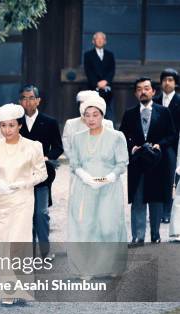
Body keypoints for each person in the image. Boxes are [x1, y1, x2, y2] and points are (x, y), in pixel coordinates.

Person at [0, 103, 47, 305]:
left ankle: (23, 290)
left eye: (11, 125)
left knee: (20, 243)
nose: (7, 130)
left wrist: (24, 183)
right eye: (3, 126)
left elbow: (42, 173)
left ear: (20, 125)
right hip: (3, 200)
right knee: (5, 245)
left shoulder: (33, 146)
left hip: (23, 199)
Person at [120, 77, 177, 246]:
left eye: (146, 88)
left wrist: (161, 144)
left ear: (153, 91)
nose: (143, 92)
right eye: (139, 89)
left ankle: (155, 233)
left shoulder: (163, 112)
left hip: (157, 160)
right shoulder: (129, 114)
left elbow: (172, 135)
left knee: (156, 198)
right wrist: (132, 147)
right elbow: (122, 136)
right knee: (138, 198)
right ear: (135, 93)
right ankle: (137, 236)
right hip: (137, 160)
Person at [67, 96, 128, 242]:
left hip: (109, 188)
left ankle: (109, 263)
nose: (91, 119)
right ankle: (89, 264)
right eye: (87, 115)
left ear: (102, 115)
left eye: (95, 115)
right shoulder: (77, 138)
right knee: (86, 227)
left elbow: (122, 163)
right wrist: (85, 177)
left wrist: (107, 178)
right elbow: (74, 164)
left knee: (108, 227)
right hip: (85, 187)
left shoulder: (116, 136)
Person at [18, 85, 64, 258]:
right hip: (20, 175)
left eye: (31, 98)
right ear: (19, 101)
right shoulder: (15, 122)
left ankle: (45, 251)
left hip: (42, 175)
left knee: (41, 213)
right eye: (24, 98)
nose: (28, 101)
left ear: (38, 100)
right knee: (25, 215)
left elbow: (58, 147)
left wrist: (47, 157)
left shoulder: (50, 122)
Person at [153, 68, 180, 224]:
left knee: (170, 179)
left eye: (170, 80)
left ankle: (167, 212)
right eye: (164, 80)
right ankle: (156, 211)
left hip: (173, 145)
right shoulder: (155, 100)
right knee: (156, 177)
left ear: (175, 83)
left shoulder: (179, 101)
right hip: (157, 144)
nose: (167, 83)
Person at [62, 90, 114, 159]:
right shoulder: (71, 124)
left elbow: (110, 147)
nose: (83, 106)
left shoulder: (107, 124)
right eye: (81, 103)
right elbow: (67, 148)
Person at [83, 32, 115, 119]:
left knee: (109, 112)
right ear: (93, 41)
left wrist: (106, 81)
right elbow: (88, 71)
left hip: (107, 87)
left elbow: (112, 70)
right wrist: (97, 83)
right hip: (93, 87)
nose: (100, 40)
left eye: (102, 39)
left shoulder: (110, 55)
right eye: (98, 39)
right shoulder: (88, 55)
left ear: (105, 41)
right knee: (93, 111)